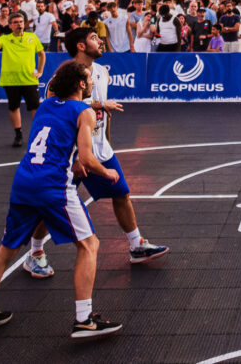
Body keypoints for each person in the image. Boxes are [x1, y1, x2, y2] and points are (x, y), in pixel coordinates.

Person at [0, 60, 122, 339]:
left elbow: (58, 121)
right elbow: (86, 157)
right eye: (89, 78)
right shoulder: (84, 111)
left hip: (24, 182)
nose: (94, 81)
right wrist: (105, 171)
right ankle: (84, 320)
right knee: (89, 245)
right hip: (52, 186)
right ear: (82, 85)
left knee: (5, 251)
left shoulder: (46, 105)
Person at [26, 29, 168, 281]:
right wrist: (98, 107)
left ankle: (136, 245)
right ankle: (35, 253)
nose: (100, 40)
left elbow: (102, 115)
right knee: (51, 205)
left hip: (99, 150)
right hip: (69, 156)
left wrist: (107, 144)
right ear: (81, 45)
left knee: (121, 193)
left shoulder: (101, 72)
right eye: (94, 38)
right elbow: (54, 107)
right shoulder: (62, 76)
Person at [0, 12, 46, 147]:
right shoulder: (5, 38)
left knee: (35, 108)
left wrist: (40, 71)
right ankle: (18, 135)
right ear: (10, 26)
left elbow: (41, 54)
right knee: (14, 107)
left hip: (29, 79)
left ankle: (38, 135)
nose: (19, 24)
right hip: (11, 80)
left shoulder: (32, 37)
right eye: (15, 22)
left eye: (21, 22)